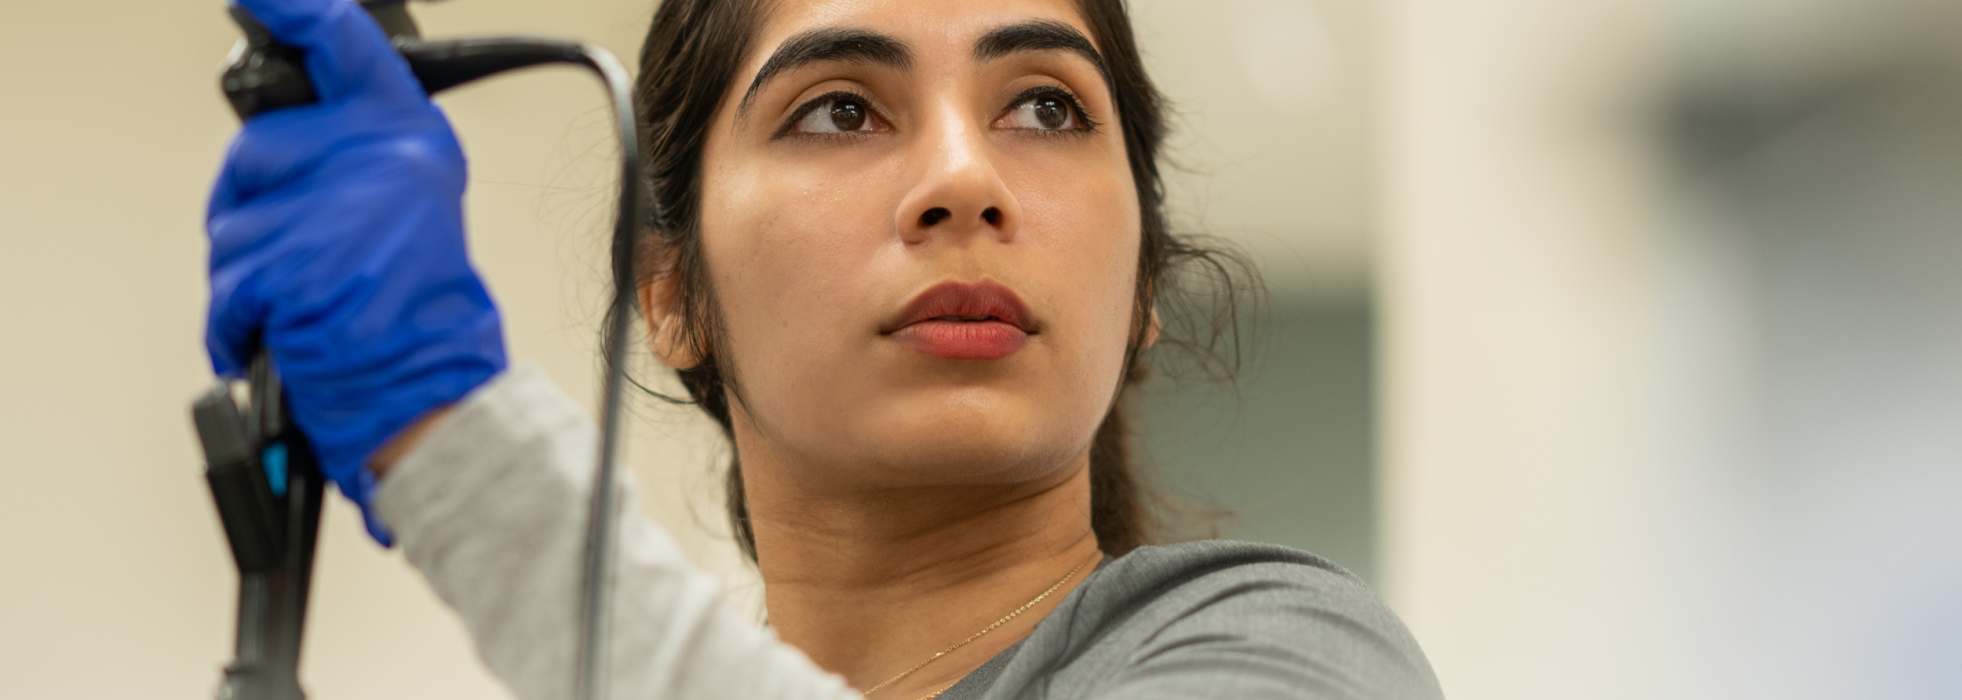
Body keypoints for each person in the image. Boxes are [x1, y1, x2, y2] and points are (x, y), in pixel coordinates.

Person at [204, 0, 1446, 697]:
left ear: (1140, 295)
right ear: (672, 291)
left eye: (1045, 105)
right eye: (840, 108)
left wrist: (455, 442)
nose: (966, 178)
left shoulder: (1294, 652)